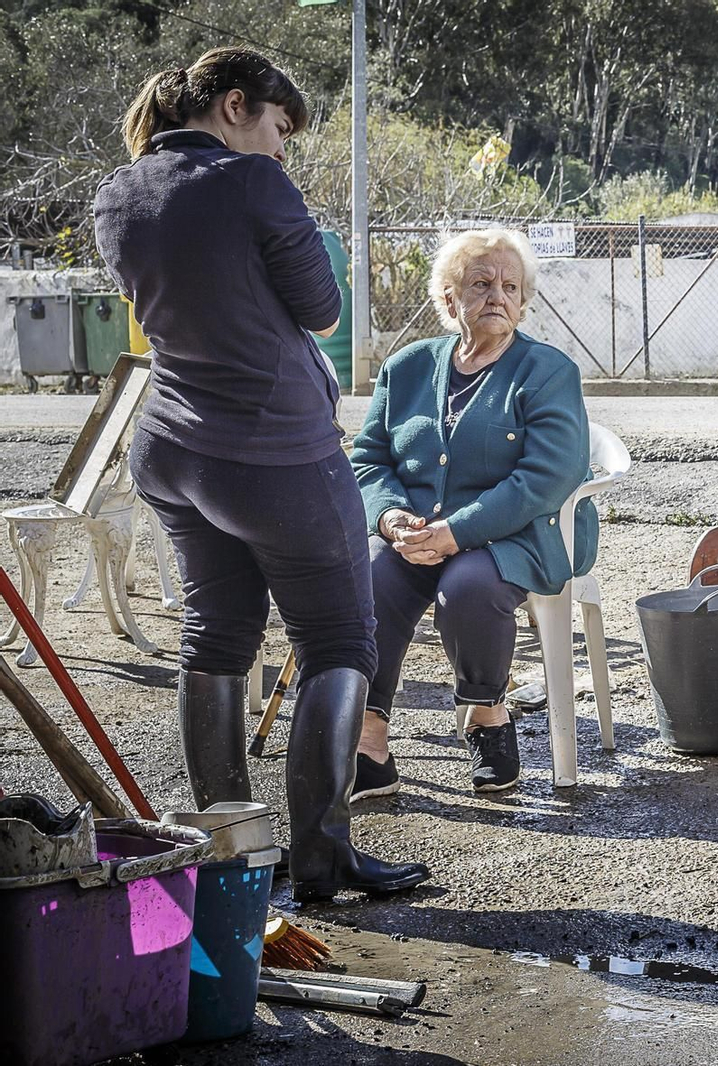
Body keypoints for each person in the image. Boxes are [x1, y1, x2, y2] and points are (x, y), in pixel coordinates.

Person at [93, 47, 430, 903]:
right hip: (274, 454)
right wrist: (283, 216)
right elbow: (322, 308)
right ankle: (321, 862)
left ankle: (231, 854)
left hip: (172, 449)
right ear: (236, 106)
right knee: (339, 641)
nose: (283, 149)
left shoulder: (119, 193)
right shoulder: (253, 184)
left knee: (215, 639)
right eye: (280, 128)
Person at [348, 228, 597, 798]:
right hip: (415, 531)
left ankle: (486, 712)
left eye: (511, 286)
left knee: (467, 586)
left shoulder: (548, 372)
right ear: (448, 299)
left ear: (525, 301)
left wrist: (455, 532)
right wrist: (390, 520)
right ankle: (369, 737)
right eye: (481, 283)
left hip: (522, 533)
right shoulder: (408, 366)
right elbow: (368, 459)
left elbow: (547, 479)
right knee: (369, 576)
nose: (498, 296)